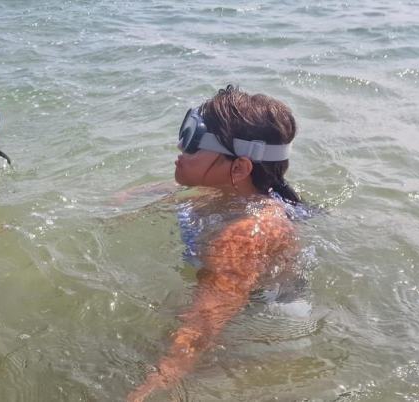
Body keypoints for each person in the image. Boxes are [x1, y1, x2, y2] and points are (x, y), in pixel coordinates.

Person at [128, 85, 303, 401]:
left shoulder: (244, 235)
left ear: (239, 168)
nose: (180, 146)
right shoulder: (236, 190)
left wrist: (153, 385)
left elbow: (203, 326)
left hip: (259, 323)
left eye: (194, 142)